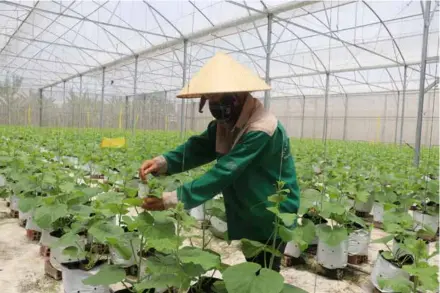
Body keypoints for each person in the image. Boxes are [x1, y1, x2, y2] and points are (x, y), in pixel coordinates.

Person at [139, 52, 300, 272]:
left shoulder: (261, 128)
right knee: (254, 268)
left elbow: (224, 172)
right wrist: (162, 162)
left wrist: (172, 199)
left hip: (270, 211)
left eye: (221, 100)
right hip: (247, 206)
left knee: (264, 271)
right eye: (209, 100)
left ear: (240, 95)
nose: (216, 107)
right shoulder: (226, 123)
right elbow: (197, 148)